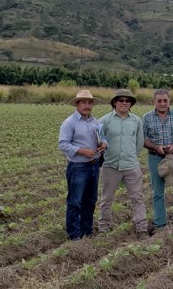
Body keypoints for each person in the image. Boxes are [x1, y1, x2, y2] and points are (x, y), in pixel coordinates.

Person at [97, 89, 152, 238]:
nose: (124, 103)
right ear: (114, 102)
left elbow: (139, 143)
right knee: (106, 199)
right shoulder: (104, 120)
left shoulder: (136, 121)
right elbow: (99, 141)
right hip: (110, 165)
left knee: (137, 198)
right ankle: (103, 229)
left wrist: (131, 156)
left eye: (127, 101)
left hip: (131, 166)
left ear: (131, 104)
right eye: (121, 100)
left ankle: (141, 228)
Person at [58, 90, 107, 240]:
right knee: (75, 202)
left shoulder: (95, 122)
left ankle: (87, 232)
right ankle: (74, 236)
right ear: (77, 104)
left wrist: (104, 144)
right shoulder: (69, 123)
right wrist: (81, 151)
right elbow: (63, 144)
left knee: (90, 201)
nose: (87, 105)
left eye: (89, 102)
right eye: (84, 102)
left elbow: (103, 137)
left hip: (94, 166)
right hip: (78, 167)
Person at [142, 89, 173, 228]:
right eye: (159, 101)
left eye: (165, 100)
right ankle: (160, 223)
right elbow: (143, 139)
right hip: (154, 156)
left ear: (169, 100)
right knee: (158, 190)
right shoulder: (146, 117)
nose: (162, 103)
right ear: (154, 102)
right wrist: (156, 147)